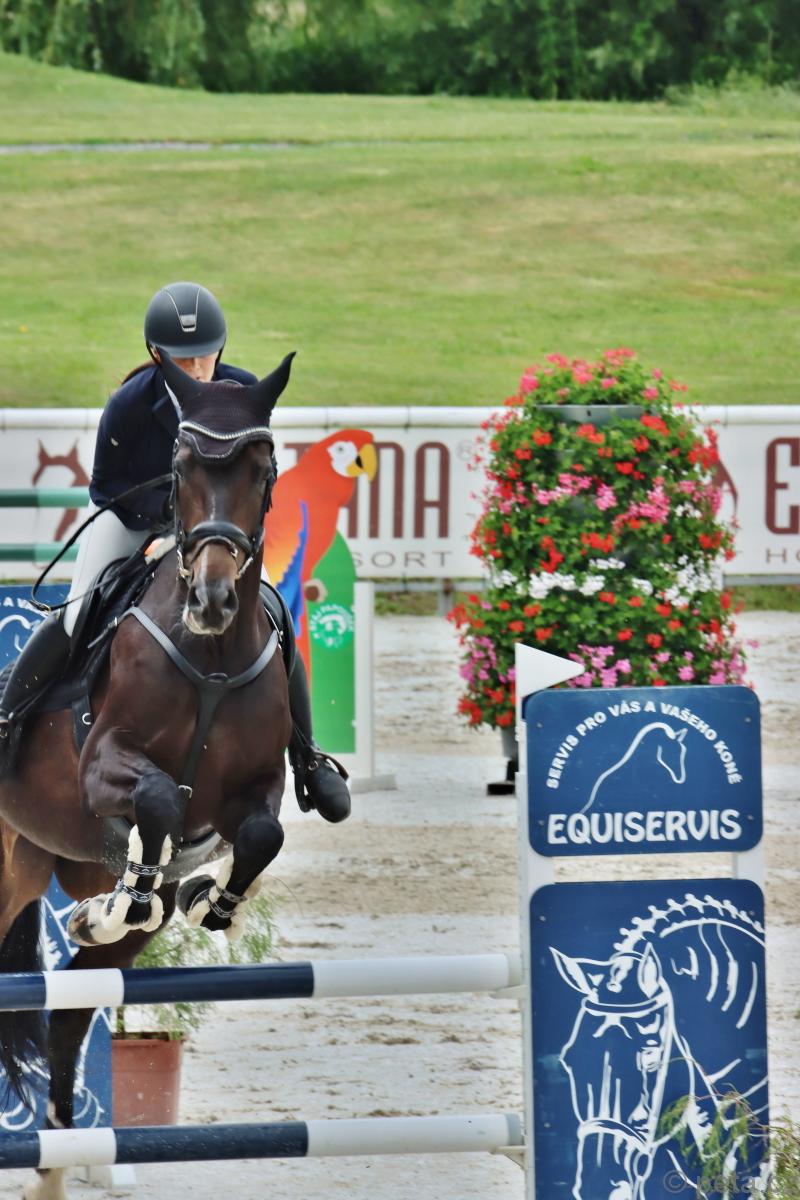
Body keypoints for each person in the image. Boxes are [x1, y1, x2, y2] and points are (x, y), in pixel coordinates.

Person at [0, 282, 350, 823]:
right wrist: (164, 529)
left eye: (204, 354)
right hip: (131, 520)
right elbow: (106, 486)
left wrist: (206, 527)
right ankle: (7, 720)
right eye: (182, 358)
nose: (196, 367)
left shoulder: (242, 393)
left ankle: (307, 756)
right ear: (156, 354)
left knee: (275, 614)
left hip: (211, 531)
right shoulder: (131, 403)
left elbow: (255, 473)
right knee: (75, 613)